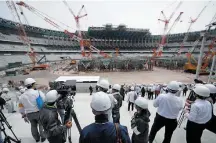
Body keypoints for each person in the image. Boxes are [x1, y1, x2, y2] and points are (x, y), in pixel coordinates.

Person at [18, 78, 46, 142]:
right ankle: (43, 137)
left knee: (33, 126)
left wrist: (24, 115)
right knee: (41, 125)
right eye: (34, 84)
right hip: (38, 112)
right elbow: (44, 100)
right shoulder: (38, 92)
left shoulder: (22, 96)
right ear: (32, 84)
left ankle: (36, 138)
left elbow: (20, 107)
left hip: (29, 114)